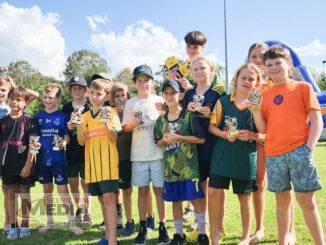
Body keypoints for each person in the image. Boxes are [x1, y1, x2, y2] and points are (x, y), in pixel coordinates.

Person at [252, 45, 325, 245]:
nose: (274, 67)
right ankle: (283, 241)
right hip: (274, 154)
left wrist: (308, 148)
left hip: (299, 152)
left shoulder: (303, 87)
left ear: (288, 64)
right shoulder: (262, 93)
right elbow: (263, 129)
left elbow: (316, 120)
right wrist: (255, 110)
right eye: (269, 64)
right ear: (265, 68)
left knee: (306, 202)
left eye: (278, 63)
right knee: (282, 201)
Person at [246, 42, 296, 244]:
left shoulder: (279, 81)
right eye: (254, 56)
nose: (258, 60)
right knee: (259, 183)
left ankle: (290, 231)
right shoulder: (249, 82)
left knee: (285, 187)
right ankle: (259, 228)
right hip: (255, 139)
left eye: (261, 57)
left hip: (280, 141)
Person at [208, 63, 262, 245]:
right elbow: (211, 127)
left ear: (256, 83)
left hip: (245, 160)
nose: (247, 81)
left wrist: (252, 135)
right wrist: (224, 134)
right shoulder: (223, 101)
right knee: (214, 192)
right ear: (236, 79)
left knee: (244, 198)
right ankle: (214, 233)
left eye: (251, 79)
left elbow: (265, 133)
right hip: (221, 157)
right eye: (243, 77)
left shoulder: (258, 104)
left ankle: (245, 237)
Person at [154, 79, 209, 245]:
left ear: (180, 95)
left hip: (189, 168)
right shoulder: (161, 120)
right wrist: (164, 140)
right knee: (175, 201)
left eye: (173, 92)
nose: (170, 96)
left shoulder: (188, 115)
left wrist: (180, 137)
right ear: (163, 96)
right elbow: (157, 142)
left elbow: (200, 139)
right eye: (166, 93)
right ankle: (178, 234)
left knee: (196, 199)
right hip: (171, 169)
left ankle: (202, 233)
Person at [122, 65, 169, 245]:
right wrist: (132, 123)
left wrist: (164, 113)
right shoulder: (131, 103)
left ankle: (163, 226)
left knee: (159, 192)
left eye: (146, 80)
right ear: (134, 84)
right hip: (139, 155)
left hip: (158, 154)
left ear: (152, 81)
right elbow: (125, 128)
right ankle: (142, 227)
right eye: (139, 81)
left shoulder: (159, 99)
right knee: (142, 191)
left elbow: (169, 121)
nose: (143, 84)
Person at [183, 56, 226, 236]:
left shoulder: (219, 92)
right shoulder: (188, 94)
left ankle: (219, 224)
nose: (199, 71)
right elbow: (182, 120)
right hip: (195, 147)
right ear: (191, 73)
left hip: (215, 145)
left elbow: (226, 118)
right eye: (195, 69)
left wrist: (212, 114)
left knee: (217, 188)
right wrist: (188, 109)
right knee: (199, 187)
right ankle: (203, 220)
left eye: (203, 68)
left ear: (211, 71)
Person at [34, 83, 83, 235]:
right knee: (47, 191)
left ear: (58, 99)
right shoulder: (38, 117)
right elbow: (34, 138)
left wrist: (63, 143)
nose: (47, 100)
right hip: (42, 161)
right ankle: (49, 222)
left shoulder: (62, 116)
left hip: (59, 161)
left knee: (63, 191)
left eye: (51, 97)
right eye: (45, 97)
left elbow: (67, 137)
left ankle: (72, 223)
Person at [77, 78, 121, 245]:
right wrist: (79, 125)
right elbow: (81, 142)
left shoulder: (111, 112)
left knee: (109, 198)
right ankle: (107, 236)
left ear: (106, 95)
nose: (95, 96)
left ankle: (113, 240)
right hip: (93, 165)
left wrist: (106, 123)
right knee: (103, 200)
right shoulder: (84, 116)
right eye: (92, 93)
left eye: (99, 93)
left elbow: (114, 136)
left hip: (108, 164)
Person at [0, 87, 36, 240]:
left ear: (25, 102)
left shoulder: (30, 120)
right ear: (8, 100)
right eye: (12, 98)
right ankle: (13, 226)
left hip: (24, 166)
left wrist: (28, 165)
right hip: (7, 166)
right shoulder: (2, 121)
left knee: (25, 195)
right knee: (9, 195)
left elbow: (34, 145)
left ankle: (25, 225)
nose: (15, 102)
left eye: (19, 99)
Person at [62, 75, 92, 229]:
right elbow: (62, 130)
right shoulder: (66, 107)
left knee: (86, 182)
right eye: (74, 87)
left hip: (87, 148)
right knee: (73, 182)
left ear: (86, 90)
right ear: (70, 90)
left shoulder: (90, 105)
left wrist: (82, 126)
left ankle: (88, 211)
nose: (77, 90)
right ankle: (79, 208)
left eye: (80, 87)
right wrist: (68, 126)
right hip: (71, 150)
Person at [109, 82, 135, 236]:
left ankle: (132, 221)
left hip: (130, 157)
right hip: (114, 158)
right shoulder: (109, 113)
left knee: (129, 191)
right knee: (114, 192)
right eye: (116, 96)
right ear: (112, 98)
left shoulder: (132, 111)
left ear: (128, 96)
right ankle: (117, 220)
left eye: (122, 95)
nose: (120, 99)